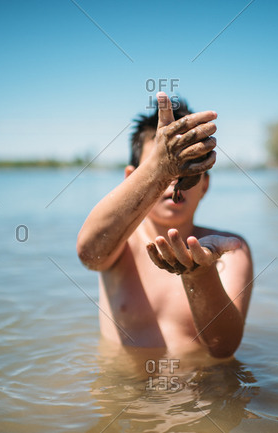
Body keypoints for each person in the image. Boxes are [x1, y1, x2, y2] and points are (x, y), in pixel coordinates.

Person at [77, 92, 253, 358]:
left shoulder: (228, 249)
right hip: (129, 393)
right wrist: (159, 168)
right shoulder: (120, 243)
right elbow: (89, 254)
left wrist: (200, 275)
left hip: (201, 391)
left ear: (205, 185)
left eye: (188, 171)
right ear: (132, 179)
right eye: (168, 168)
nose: (175, 181)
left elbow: (223, 346)